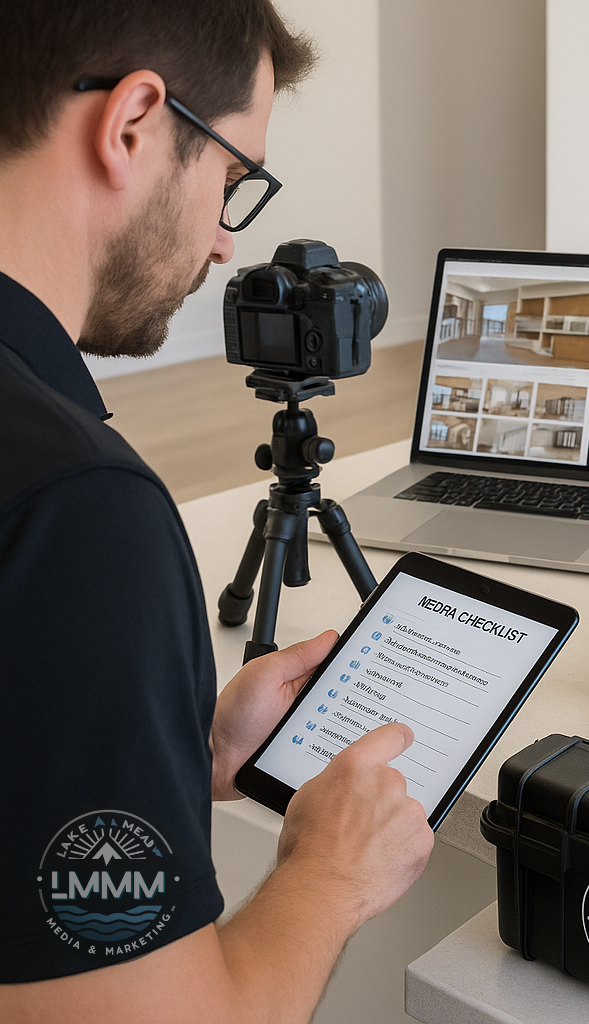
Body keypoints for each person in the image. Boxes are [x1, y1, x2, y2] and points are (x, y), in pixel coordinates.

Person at [0, 2, 434, 1021]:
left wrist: (175, 756)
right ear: (134, 123)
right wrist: (331, 872)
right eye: (233, 180)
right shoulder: (78, 512)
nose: (223, 248)